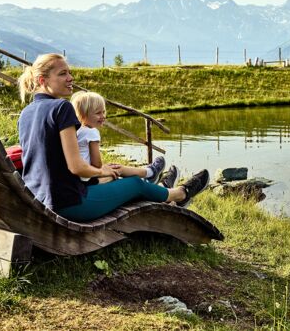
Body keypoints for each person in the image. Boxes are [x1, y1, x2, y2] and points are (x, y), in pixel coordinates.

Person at [17, 53, 209, 222]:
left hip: (36, 199)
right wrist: (105, 171)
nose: (70, 78)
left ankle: (157, 184)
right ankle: (180, 194)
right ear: (42, 80)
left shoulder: (25, 113)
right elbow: (76, 166)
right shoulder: (61, 108)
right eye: (62, 74)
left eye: (69, 72)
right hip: (68, 205)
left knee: (121, 182)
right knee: (133, 184)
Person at [70, 90, 177, 187]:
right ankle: (150, 173)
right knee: (117, 169)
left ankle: (149, 174)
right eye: (98, 113)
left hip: (79, 178)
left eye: (103, 112)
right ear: (83, 115)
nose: (103, 116)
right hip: (87, 180)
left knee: (114, 168)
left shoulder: (77, 130)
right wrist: (105, 169)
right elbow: (97, 164)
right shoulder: (91, 132)